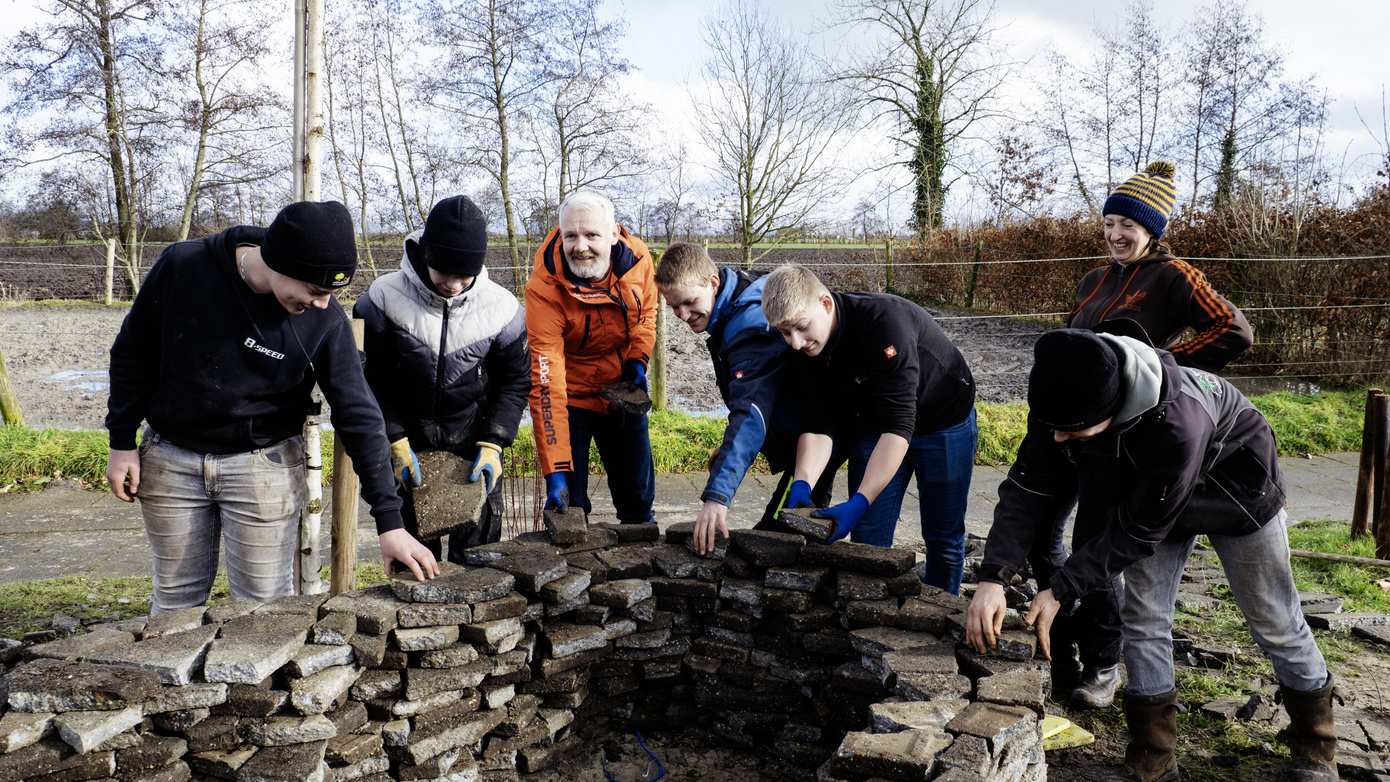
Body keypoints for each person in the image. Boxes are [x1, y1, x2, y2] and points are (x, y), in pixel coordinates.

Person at [967, 328, 1336, 782]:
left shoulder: (1180, 422)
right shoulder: (1065, 388)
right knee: (1143, 618)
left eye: (1074, 430)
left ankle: (1315, 749)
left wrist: (1061, 586)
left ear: (1113, 408)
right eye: (1054, 428)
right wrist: (993, 578)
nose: (1060, 439)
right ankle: (1153, 758)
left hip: (1236, 493)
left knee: (1274, 619)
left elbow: (1140, 530)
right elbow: (1027, 487)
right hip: (1149, 497)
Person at [104, 201, 440, 613]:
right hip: (172, 459)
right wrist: (121, 442)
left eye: (331, 293)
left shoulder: (325, 321)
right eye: (316, 291)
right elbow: (131, 354)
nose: (322, 303)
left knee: (264, 609)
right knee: (176, 600)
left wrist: (390, 522)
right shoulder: (184, 267)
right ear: (280, 262)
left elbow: (359, 415)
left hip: (262, 466)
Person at [1032, 161, 1257, 710]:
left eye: (1127, 226)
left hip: (1130, 438)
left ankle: (1104, 662)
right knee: (1041, 532)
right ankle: (1056, 640)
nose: (1115, 235)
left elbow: (1233, 330)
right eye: (1108, 223)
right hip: (1079, 430)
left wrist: (1161, 365)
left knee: (1095, 544)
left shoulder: (1173, 275)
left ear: (1152, 229)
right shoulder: (1094, 281)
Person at [761, 265, 978, 593]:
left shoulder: (885, 324)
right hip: (874, 422)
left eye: (801, 328)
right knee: (868, 539)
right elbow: (819, 422)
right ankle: (869, 620)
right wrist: (803, 482)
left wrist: (860, 500)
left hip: (942, 420)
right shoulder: (805, 348)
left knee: (943, 538)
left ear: (825, 303)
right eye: (784, 332)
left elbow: (899, 427)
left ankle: (943, 615)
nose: (795, 342)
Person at [353, 195, 529, 563]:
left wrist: (494, 442)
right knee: (413, 571)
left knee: (481, 571)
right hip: (408, 450)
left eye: (464, 275)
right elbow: (367, 379)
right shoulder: (380, 300)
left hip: (473, 450)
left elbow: (514, 383)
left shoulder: (503, 310)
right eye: (444, 272)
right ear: (425, 254)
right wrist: (394, 440)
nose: (453, 284)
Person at [655, 243, 838, 555]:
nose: (683, 315)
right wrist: (726, 451)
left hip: (821, 438)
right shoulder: (743, 291)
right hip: (810, 431)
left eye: (689, 302)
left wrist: (718, 496)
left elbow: (750, 412)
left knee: (779, 543)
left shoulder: (749, 324)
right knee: (782, 540)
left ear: (712, 283)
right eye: (673, 307)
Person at [525, 190, 657, 523]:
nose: (580, 246)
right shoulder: (544, 288)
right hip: (569, 398)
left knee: (638, 499)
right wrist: (555, 468)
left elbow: (647, 315)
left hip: (621, 388)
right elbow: (546, 380)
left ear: (614, 234)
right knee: (569, 507)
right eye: (571, 235)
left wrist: (637, 360)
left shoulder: (639, 262)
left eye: (591, 235)